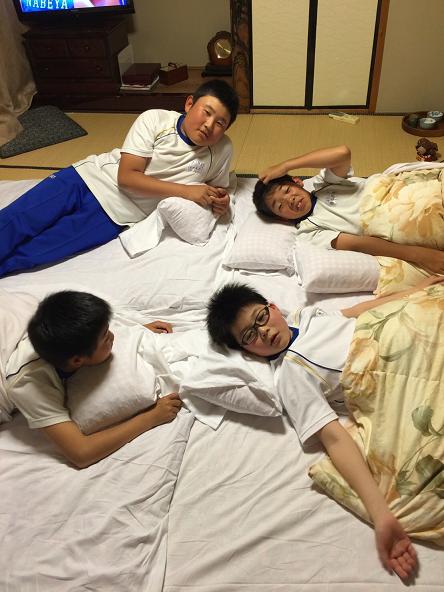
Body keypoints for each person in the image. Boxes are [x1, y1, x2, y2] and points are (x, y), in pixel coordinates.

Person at [205, 277, 444, 580]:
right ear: (247, 351)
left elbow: (362, 311)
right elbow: (333, 438)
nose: (263, 332)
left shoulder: (307, 316)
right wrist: (381, 515)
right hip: (391, 369)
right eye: (250, 335)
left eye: (261, 318)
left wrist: (416, 290)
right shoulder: (289, 375)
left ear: (273, 308)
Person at [0, 79, 239, 277]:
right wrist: (187, 191)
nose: (209, 125)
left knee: (39, 251)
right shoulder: (155, 120)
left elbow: (216, 188)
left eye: (220, 123)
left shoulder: (222, 149)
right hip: (86, 179)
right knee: (16, 220)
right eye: (206, 112)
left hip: (117, 215)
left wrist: (220, 200)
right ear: (189, 104)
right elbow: (127, 178)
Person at [5, 290, 181, 468]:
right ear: (77, 360)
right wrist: (151, 417)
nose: (113, 337)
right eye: (106, 337)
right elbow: (81, 453)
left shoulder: (60, 338)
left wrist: (137, 330)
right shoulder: (29, 384)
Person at [252, 145, 444, 274]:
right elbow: (358, 243)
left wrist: (286, 165)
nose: (290, 200)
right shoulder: (309, 231)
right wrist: (419, 255)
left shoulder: (324, 184)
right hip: (398, 218)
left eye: (287, 191)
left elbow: (342, 153)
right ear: (282, 218)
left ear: (297, 182)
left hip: (401, 190)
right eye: (280, 206)